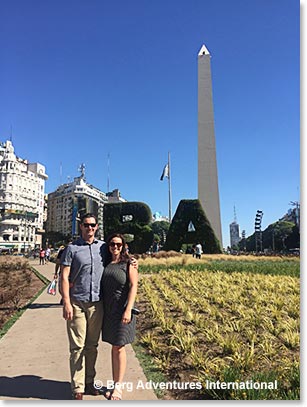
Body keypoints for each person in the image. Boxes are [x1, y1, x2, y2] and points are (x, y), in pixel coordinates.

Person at [61, 213, 106, 400]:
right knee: (77, 347)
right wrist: (66, 302)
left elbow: (120, 257)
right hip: (77, 302)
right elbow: (64, 276)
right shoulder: (72, 249)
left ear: (97, 227)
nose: (89, 228)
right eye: (86, 225)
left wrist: (133, 262)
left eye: (92, 225)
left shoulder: (103, 247)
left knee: (92, 346)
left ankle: (89, 382)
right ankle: (77, 387)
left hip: (97, 304)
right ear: (81, 226)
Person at [101, 233, 138, 401]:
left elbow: (133, 287)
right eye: (112, 244)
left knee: (119, 346)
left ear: (123, 246)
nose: (115, 247)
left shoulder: (129, 263)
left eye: (118, 244)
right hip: (108, 311)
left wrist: (128, 309)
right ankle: (115, 381)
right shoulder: (106, 262)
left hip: (123, 310)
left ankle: (118, 387)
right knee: (114, 347)